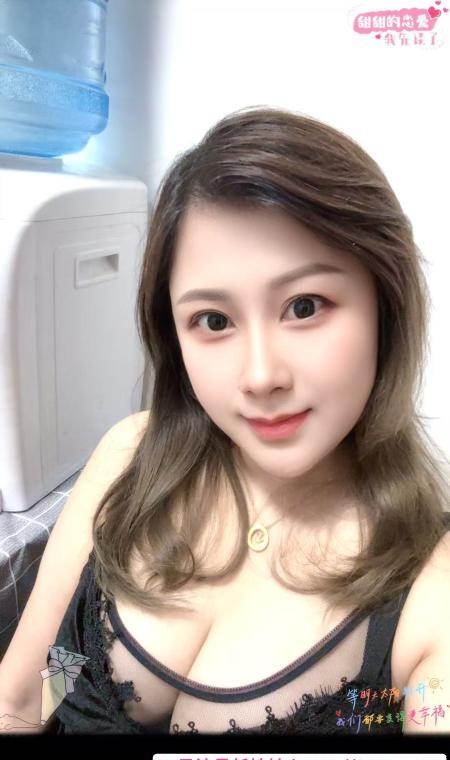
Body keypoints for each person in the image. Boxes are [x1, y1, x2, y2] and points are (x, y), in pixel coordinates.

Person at [1, 105, 450, 737]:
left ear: (386, 302)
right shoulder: (131, 459)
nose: (261, 376)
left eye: (304, 306)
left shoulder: (431, 596)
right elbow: (32, 696)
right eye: (214, 321)